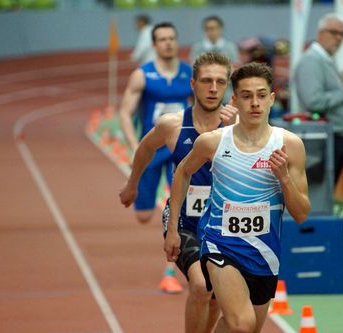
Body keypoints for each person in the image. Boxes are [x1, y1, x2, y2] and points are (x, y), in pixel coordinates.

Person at [165, 62, 311, 332]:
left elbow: (301, 214)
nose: (254, 103)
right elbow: (182, 173)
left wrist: (284, 178)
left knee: (246, 328)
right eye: (246, 96)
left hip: (265, 253)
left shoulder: (289, 145)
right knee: (242, 324)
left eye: (260, 95)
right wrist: (173, 228)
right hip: (221, 245)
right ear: (234, 100)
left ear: (271, 99)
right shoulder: (213, 142)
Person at [120, 52, 237, 333]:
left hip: (224, 223)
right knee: (200, 285)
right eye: (206, 81)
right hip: (185, 221)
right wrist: (132, 184)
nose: (213, 88)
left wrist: (235, 130)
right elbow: (145, 150)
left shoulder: (239, 127)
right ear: (193, 84)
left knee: (215, 297)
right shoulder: (172, 124)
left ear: (227, 86)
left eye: (220, 82)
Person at [119, 22, 193, 225]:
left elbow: (202, 111)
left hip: (180, 149)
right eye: (162, 39)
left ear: (177, 42)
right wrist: (135, 147)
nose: (168, 43)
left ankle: (177, 236)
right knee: (143, 216)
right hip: (151, 148)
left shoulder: (190, 75)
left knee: (185, 209)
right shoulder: (142, 75)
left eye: (171, 38)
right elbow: (125, 113)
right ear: (154, 45)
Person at [294, 13, 343, 183]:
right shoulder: (311, 61)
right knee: (320, 194)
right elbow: (314, 101)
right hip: (326, 139)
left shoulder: (324, 59)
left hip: (333, 135)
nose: (339, 38)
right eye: (334, 32)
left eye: (342, 34)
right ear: (320, 33)